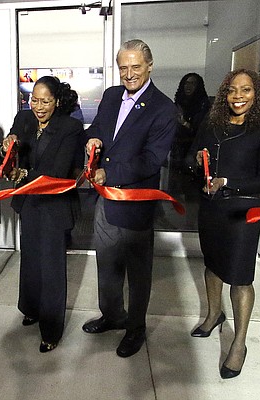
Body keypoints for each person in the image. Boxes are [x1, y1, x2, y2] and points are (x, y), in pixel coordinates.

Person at [82, 39, 177, 358]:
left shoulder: (164, 108)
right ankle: (112, 316)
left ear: (150, 65)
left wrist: (110, 173)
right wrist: (92, 137)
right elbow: (96, 127)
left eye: (136, 67)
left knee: (137, 273)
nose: (129, 73)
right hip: (105, 202)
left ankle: (135, 328)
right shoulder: (110, 96)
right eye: (123, 67)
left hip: (135, 203)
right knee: (106, 266)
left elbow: (152, 159)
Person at [188, 69, 260, 379]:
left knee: (240, 278)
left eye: (245, 90)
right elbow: (191, 157)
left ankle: (239, 343)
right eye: (231, 90)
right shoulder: (211, 124)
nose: (238, 96)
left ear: (257, 94)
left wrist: (226, 183)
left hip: (243, 213)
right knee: (212, 264)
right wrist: (196, 163)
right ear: (224, 94)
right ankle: (214, 315)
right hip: (211, 209)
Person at [0, 76, 83, 352]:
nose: (39, 106)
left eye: (45, 101)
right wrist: (6, 148)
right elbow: (4, 159)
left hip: (54, 206)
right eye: (34, 99)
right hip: (29, 204)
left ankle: (51, 329)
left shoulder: (70, 127)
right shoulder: (23, 120)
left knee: (52, 270)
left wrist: (21, 173)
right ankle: (31, 309)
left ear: (57, 101)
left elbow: (58, 172)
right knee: (31, 262)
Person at [171, 73, 211, 173]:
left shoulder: (203, 105)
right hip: (176, 148)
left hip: (193, 149)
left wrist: (184, 123)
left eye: (192, 83)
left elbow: (200, 130)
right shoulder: (179, 102)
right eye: (186, 83)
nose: (188, 86)